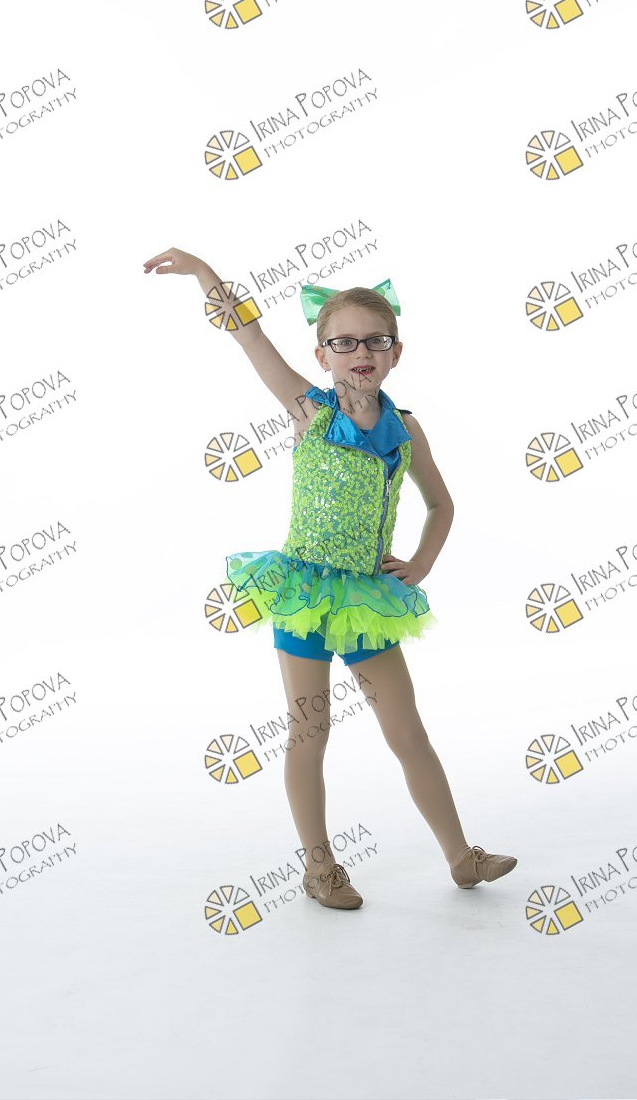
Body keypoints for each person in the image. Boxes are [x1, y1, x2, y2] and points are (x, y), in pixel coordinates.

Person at [143, 248, 518, 910]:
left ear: (396, 352)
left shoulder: (405, 429)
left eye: (374, 340)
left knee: (408, 732)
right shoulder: (309, 411)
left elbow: (441, 504)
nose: (360, 352)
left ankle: (461, 856)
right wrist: (204, 273)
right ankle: (320, 870)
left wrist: (421, 562)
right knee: (309, 733)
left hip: (367, 600)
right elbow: (248, 336)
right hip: (305, 595)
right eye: (343, 342)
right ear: (322, 356)